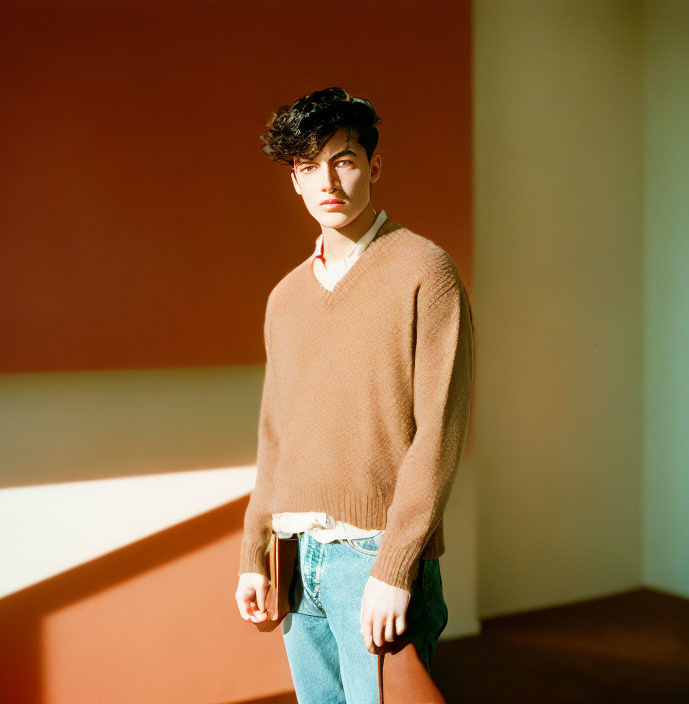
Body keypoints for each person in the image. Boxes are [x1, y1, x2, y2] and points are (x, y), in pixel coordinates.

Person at [233, 87, 474, 703]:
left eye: (342, 159)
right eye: (308, 167)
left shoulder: (425, 271)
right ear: (294, 180)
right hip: (296, 560)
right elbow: (273, 435)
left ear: (374, 165)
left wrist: (396, 566)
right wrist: (254, 552)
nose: (327, 182)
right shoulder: (285, 298)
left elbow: (439, 431)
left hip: (373, 558)